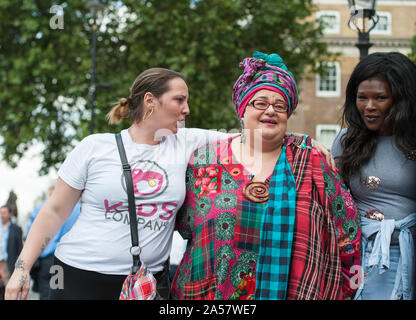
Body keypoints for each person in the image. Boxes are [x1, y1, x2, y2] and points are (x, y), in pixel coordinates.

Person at [6, 66, 333, 301]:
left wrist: (306, 142)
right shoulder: (94, 147)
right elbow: (53, 213)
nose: (187, 109)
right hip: (79, 275)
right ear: (151, 101)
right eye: (179, 100)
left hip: (150, 282)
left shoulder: (189, 142)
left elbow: (254, 132)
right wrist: (22, 269)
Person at [171, 52, 361, 300]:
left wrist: (349, 290)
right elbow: (179, 224)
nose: (270, 110)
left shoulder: (312, 160)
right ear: (242, 109)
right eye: (260, 103)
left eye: (280, 105)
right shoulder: (206, 162)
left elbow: (347, 232)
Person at [331, 52, 416, 300]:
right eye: (362, 98)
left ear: (402, 100)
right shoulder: (347, 141)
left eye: (380, 98)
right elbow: (335, 200)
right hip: (360, 259)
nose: (369, 107)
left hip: (408, 255)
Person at [26, 185, 80, 299]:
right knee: (64, 292)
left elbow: (30, 234)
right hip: (70, 259)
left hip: (47, 260)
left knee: (46, 292)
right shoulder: (78, 208)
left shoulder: (41, 208)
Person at [1, 205, 23, 276]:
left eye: (4, 213)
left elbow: (20, 249)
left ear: (10, 214)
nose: (2, 215)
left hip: (9, 265)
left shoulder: (16, 229)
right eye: (0, 213)